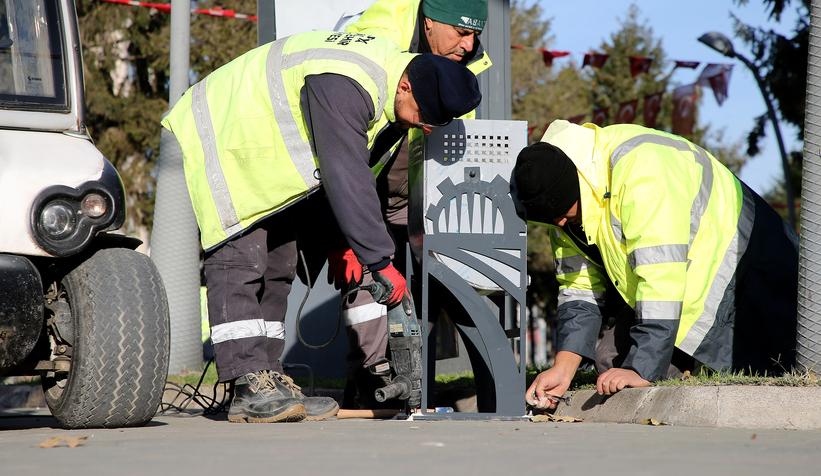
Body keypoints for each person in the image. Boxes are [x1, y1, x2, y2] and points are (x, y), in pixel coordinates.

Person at [161, 30, 481, 423]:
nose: (427, 127)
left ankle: (269, 378)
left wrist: (340, 240)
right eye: (425, 116)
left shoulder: (391, 86)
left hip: (267, 154)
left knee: (279, 265)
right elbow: (346, 175)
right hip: (229, 134)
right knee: (240, 259)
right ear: (405, 86)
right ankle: (246, 384)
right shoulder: (348, 83)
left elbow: (350, 175)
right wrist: (381, 261)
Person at [514, 120, 799, 411]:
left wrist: (642, 369)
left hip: (751, 268)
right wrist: (563, 368)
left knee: (778, 374)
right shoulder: (561, 206)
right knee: (609, 364)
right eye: (552, 219)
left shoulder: (642, 167)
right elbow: (580, 291)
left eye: (564, 214)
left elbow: (660, 274)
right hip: (680, 289)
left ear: (577, 185)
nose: (560, 223)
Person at [337, 0, 491, 410]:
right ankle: (370, 378)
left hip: (422, 187)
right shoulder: (378, 38)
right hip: (364, 186)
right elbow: (346, 150)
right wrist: (352, 232)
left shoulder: (466, 58)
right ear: (429, 24)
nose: (469, 43)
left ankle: (419, 377)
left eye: (475, 33)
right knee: (369, 277)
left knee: (438, 273)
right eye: (461, 32)